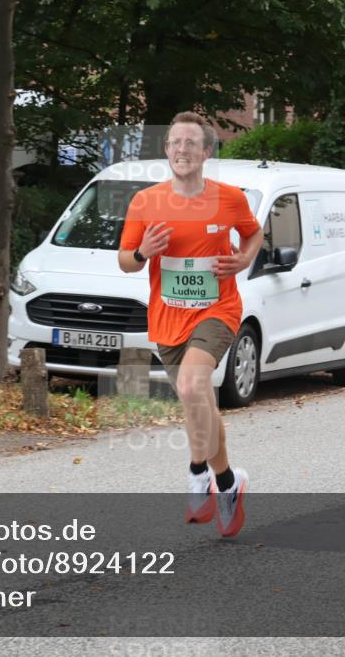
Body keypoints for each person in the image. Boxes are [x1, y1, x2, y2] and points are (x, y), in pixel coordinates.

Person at [118, 111, 264, 537]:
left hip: (217, 309)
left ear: (205, 152)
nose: (182, 150)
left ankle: (199, 469)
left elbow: (253, 234)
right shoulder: (145, 202)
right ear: (167, 151)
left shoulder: (229, 198)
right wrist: (143, 252)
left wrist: (244, 258)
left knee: (191, 387)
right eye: (174, 143)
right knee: (197, 401)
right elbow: (125, 262)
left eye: (190, 143)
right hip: (167, 317)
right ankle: (226, 482)